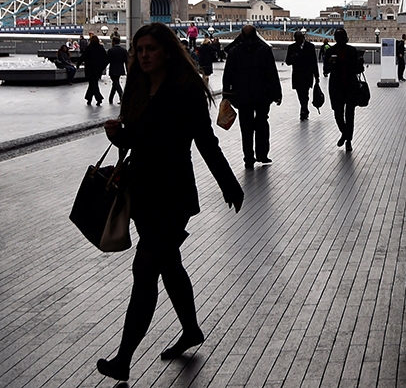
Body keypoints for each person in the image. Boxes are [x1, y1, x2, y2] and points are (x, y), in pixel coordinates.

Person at [98, 23, 243, 382]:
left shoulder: (187, 88)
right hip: (143, 193)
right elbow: (137, 139)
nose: (143, 55)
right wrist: (119, 135)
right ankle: (191, 330)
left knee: (145, 272)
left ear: (166, 50)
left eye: (150, 49)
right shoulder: (137, 84)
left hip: (173, 194)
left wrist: (229, 183)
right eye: (139, 49)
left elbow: (205, 142)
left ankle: (123, 358)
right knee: (169, 266)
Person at [222, 25, 283, 169]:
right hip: (262, 95)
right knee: (262, 123)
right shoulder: (264, 50)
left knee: (246, 127)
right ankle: (262, 154)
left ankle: (248, 157)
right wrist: (277, 93)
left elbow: (227, 75)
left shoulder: (234, 52)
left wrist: (226, 94)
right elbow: (272, 73)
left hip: (242, 96)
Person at [324, 28, 364, 151]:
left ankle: (348, 139)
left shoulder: (351, 51)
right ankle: (346, 135)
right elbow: (325, 70)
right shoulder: (330, 51)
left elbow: (358, 69)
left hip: (348, 86)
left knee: (347, 114)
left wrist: (360, 62)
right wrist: (330, 63)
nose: (340, 39)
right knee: (339, 114)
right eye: (338, 37)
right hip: (339, 87)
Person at [286, 31, 320, 120]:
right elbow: (287, 62)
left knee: (305, 93)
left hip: (307, 75)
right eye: (296, 39)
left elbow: (314, 62)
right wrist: (292, 57)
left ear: (303, 38)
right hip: (297, 75)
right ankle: (304, 108)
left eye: (299, 39)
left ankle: (303, 109)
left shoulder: (310, 47)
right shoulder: (292, 47)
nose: (297, 41)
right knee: (300, 94)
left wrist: (317, 75)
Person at [78, 34, 108, 106]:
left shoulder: (89, 48)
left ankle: (98, 98)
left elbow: (83, 57)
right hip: (97, 69)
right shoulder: (101, 48)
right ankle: (89, 99)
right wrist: (102, 67)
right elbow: (106, 59)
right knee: (93, 83)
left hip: (89, 69)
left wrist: (78, 64)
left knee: (92, 84)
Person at [107, 35, 128, 105]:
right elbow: (126, 61)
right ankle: (111, 98)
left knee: (116, 83)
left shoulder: (111, 50)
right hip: (120, 68)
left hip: (113, 69)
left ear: (113, 42)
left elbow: (107, 60)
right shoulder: (124, 51)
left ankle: (121, 96)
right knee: (116, 82)